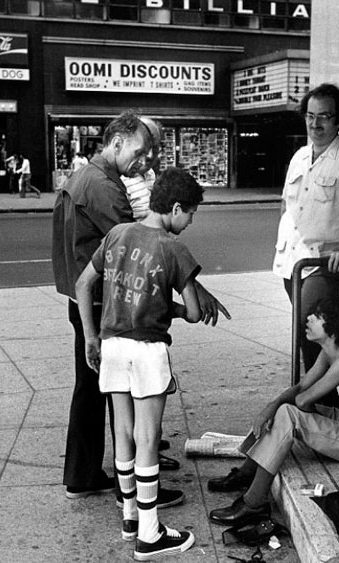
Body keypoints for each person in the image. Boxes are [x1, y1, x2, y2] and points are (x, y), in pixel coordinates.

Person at [51, 110, 230, 506]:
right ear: (117, 142)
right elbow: (145, 247)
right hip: (105, 304)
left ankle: (84, 474)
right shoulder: (103, 187)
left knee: (95, 390)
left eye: (150, 153)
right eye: (140, 151)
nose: (145, 160)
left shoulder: (83, 176)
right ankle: (128, 485)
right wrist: (194, 291)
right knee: (124, 397)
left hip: (87, 298)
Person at [75, 166, 204, 561]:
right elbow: (196, 314)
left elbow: (84, 284)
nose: (191, 221)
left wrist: (92, 336)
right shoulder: (174, 249)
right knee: (149, 436)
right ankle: (150, 535)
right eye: (191, 214)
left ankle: (131, 515)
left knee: (125, 433)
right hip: (149, 350)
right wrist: (175, 308)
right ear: (176, 208)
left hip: (112, 344)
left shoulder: (117, 234)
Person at [207, 294, 339, 527]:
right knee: (281, 409)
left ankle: (253, 504)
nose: (308, 318)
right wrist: (270, 407)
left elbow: (302, 401)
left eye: (317, 316)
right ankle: (247, 472)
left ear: (335, 326)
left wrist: (283, 411)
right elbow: (301, 387)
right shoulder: (330, 353)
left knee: (287, 415)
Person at [274, 83, 339, 383]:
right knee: (312, 332)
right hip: (291, 261)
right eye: (310, 116)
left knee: (309, 327)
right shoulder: (298, 157)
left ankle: (324, 398)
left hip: (325, 261)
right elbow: (287, 206)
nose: (315, 123)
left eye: (324, 116)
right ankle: (325, 396)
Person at [122, 117, 162, 220]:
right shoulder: (120, 178)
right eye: (146, 147)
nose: (150, 154)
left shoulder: (150, 173)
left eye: (155, 147)